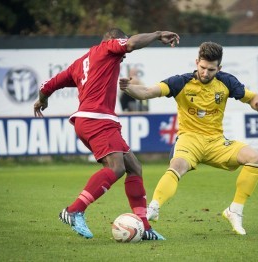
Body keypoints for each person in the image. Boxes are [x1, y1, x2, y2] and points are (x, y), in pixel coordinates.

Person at [33, 28, 179, 240]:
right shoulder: (107, 47)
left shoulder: (80, 63)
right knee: (116, 167)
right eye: (122, 44)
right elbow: (130, 44)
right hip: (97, 119)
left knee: (134, 167)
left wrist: (42, 99)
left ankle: (145, 228)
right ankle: (74, 210)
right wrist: (157, 35)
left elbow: (49, 84)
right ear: (113, 39)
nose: (125, 54)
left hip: (92, 120)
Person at [119, 41, 258, 236]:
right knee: (177, 165)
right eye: (203, 67)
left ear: (219, 68)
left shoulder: (227, 82)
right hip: (189, 140)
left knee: (256, 158)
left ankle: (234, 211)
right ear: (197, 62)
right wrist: (129, 88)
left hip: (216, 142)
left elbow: (251, 96)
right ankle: (153, 208)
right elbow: (147, 92)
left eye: (211, 69)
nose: (206, 73)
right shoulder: (180, 82)